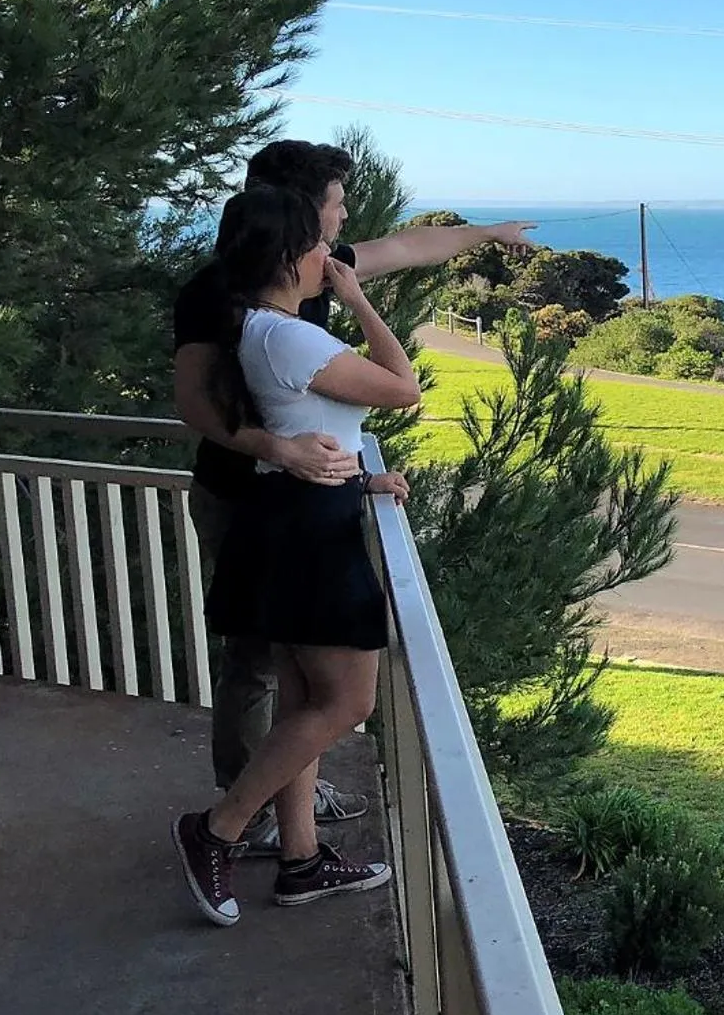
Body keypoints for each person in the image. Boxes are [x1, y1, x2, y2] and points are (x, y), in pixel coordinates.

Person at [172, 139, 538, 853]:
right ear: (301, 220)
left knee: (299, 676)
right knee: (259, 659)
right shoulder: (218, 294)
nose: (346, 219)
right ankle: (247, 806)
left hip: (310, 493)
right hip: (249, 497)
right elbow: (195, 403)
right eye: (337, 204)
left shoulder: (310, 275)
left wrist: (488, 234)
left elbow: (407, 246)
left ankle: (283, 812)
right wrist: (274, 449)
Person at [171, 184, 419, 924]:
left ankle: (302, 861)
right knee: (349, 701)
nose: (330, 255)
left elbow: (302, 425)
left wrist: (361, 474)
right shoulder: (292, 337)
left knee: (304, 703)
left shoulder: (255, 326)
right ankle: (215, 828)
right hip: (310, 535)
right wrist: (360, 301)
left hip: (294, 514)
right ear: (285, 255)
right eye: (319, 244)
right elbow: (403, 387)